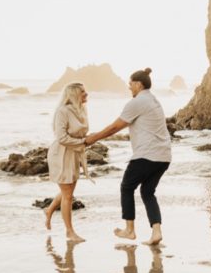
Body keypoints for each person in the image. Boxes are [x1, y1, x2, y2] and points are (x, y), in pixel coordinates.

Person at [85, 67, 172, 245]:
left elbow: (115, 127)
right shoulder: (153, 100)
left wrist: (92, 138)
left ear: (139, 85)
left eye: (130, 84)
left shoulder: (137, 102)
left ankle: (130, 230)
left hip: (147, 154)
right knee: (147, 192)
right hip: (163, 156)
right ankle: (156, 232)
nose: (129, 87)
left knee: (126, 187)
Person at [44, 83, 91, 242]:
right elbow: (61, 138)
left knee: (68, 192)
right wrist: (83, 142)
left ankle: (49, 210)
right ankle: (69, 232)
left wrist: (85, 142)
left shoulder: (82, 110)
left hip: (74, 154)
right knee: (68, 195)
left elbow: (83, 134)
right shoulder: (62, 112)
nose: (87, 94)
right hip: (61, 155)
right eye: (83, 92)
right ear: (74, 94)